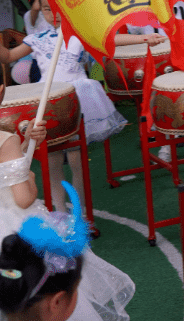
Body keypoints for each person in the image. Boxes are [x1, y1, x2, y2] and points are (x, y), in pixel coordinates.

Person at [0, 0, 165, 216]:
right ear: (42, 12)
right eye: (48, 10)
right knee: (52, 160)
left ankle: (82, 213)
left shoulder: (78, 36)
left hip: (76, 100)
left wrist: (145, 37)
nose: (54, 15)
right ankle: (60, 212)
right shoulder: (36, 39)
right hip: (48, 103)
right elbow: (9, 56)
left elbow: (110, 40)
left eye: (58, 10)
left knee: (78, 160)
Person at [0, 120, 134, 321]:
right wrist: (29, 178)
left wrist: (26, 145)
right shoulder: (5, 139)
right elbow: (23, 199)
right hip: (14, 227)